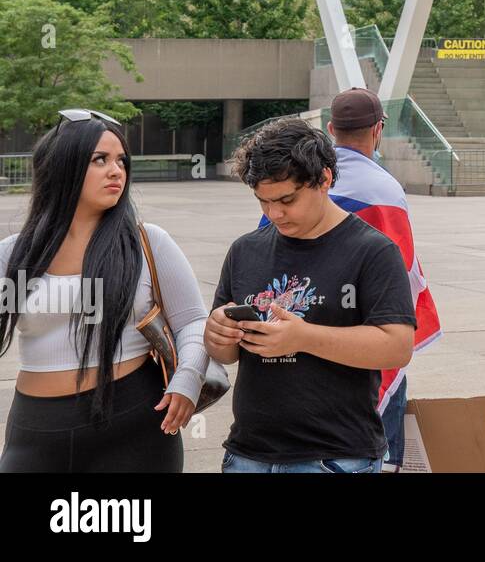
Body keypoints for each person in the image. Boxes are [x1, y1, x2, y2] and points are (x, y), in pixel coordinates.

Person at [0, 109, 209, 472]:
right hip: (35, 427)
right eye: (100, 159)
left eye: (121, 160)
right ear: (63, 166)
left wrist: (188, 378)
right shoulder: (14, 252)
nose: (117, 171)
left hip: (134, 423)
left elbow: (192, 320)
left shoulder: (147, 243)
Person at [206, 118, 415, 473]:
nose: (275, 213)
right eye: (263, 201)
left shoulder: (373, 251)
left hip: (334, 457)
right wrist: (217, 334)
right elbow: (226, 354)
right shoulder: (245, 250)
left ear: (324, 180)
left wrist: (303, 337)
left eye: (287, 199)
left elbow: (397, 346)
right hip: (249, 453)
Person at [320, 87, 441, 469]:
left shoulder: (303, 184)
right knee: (381, 442)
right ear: (378, 130)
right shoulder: (384, 189)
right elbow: (401, 273)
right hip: (371, 341)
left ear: (330, 129)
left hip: (307, 337)